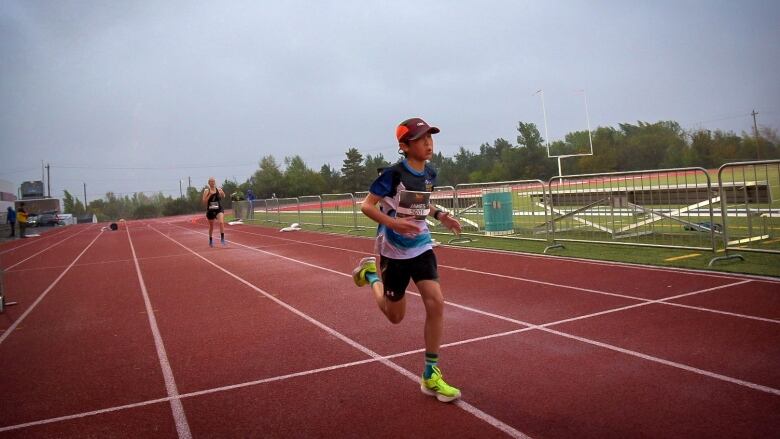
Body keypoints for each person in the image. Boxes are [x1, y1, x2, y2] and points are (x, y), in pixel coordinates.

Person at [352, 117, 463, 403]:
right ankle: (372, 277)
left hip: (421, 245)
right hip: (394, 251)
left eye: (430, 137)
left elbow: (422, 202)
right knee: (395, 316)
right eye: (421, 139)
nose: (428, 143)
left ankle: (431, 373)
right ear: (404, 146)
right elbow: (366, 206)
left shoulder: (430, 173)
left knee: (436, 301)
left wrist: (441, 216)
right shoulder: (393, 174)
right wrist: (393, 224)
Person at [201, 177, 227, 247]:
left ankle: (222, 239)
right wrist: (210, 194)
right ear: (209, 183)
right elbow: (204, 201)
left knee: (221, 222)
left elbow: (223, 196)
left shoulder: (218, 189)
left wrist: (222, 193)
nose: (212, 183)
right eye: (211, 181)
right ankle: (210, 240)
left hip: (218, 209)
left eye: (213, 181)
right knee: (211, 226)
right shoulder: (207, 190)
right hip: (210, 210)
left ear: (215, 182)